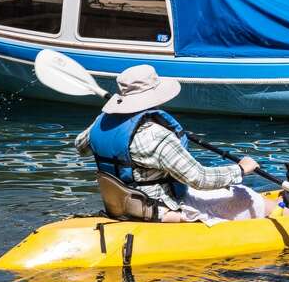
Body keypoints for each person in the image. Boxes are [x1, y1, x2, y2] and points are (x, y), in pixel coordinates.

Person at [75, 64, 278, 223]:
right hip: (158, 207)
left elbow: (81, 146)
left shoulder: (101, 122)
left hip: (121, 204)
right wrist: (240, 170)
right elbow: (199, 178)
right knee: (247, 195)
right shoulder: (155, 136)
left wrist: (109, 114)